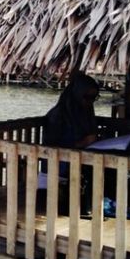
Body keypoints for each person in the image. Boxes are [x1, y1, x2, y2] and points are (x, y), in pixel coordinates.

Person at [42, 73, 100, 217]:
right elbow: (52, 145)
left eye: (94, 98)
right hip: (60, 162)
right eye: (87, 98)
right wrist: (82, 143)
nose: (90, 102)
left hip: (82, 159)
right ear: (77, 94)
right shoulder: (58, 115)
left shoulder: (85, 114)